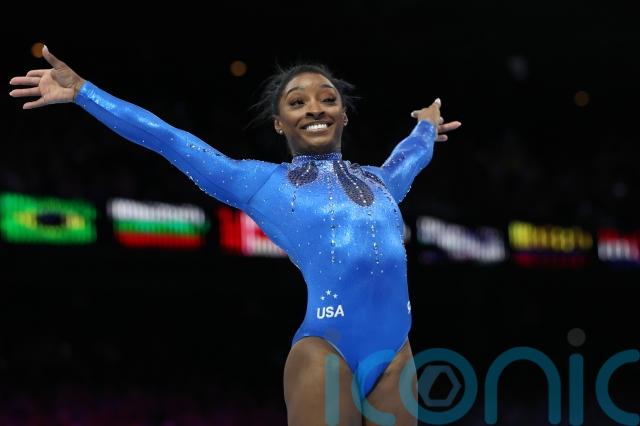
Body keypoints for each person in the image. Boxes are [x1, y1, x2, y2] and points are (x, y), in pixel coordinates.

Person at [10, 45, 461, 426]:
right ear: (279, 123)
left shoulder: (381, 182)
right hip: (327, 352)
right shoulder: (264, 183)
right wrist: (84, 93)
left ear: (343, 115)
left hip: (397, 353)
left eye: (327, 99)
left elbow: (413, 154)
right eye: (297, 103)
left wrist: (426, 123)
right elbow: (168, 138)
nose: (314, 109)